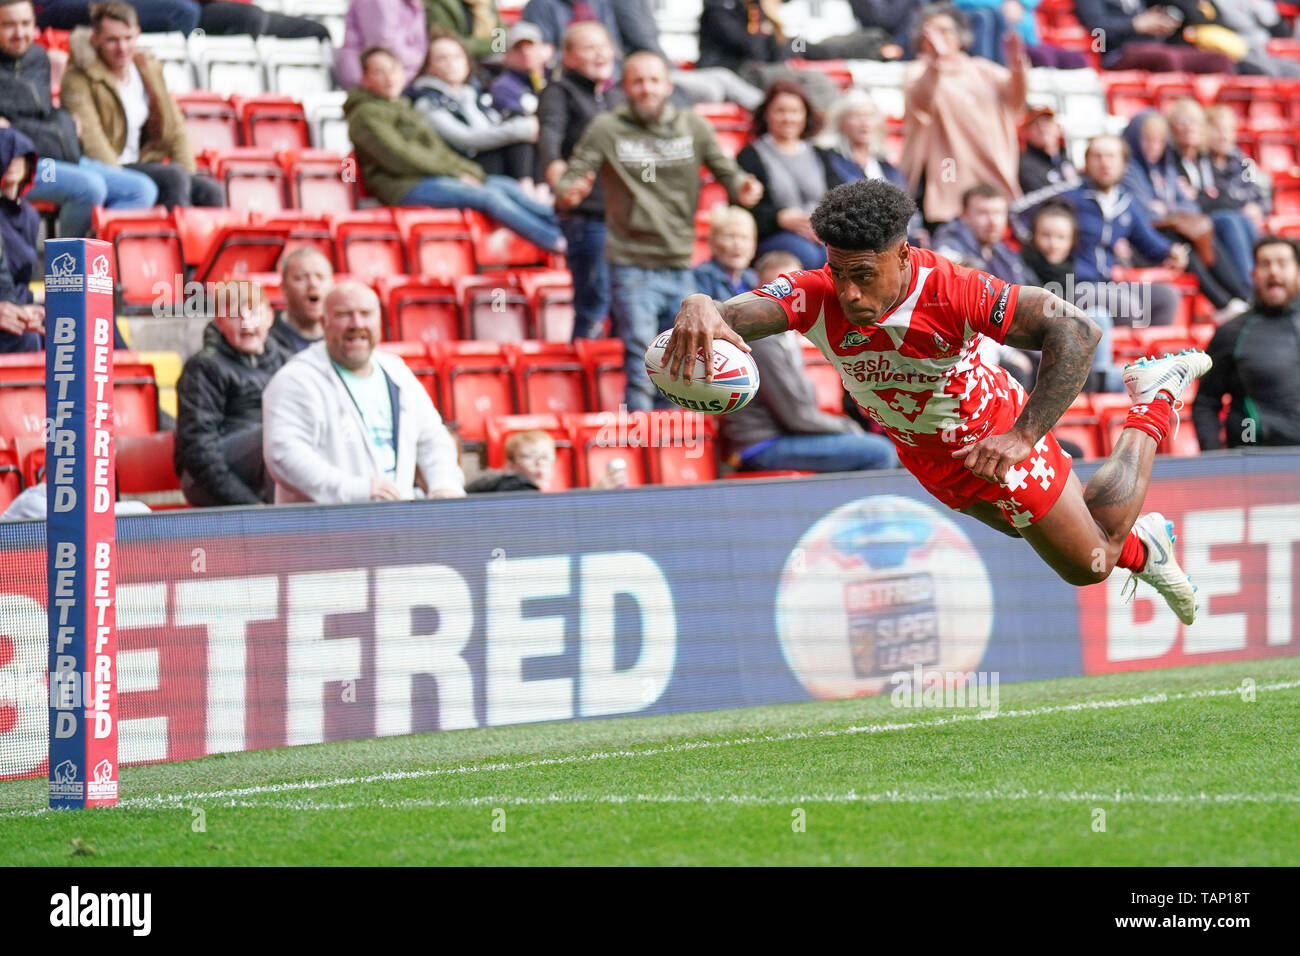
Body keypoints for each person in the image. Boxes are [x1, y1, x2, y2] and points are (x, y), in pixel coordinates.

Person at [661, 177, 1210, 624]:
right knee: (1052, 533)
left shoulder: (952, 290)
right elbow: (726, 318)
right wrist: (698, 302)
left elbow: (1077, 332)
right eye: (837, 271)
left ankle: (1155, 397)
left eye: (863, 275)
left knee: (1089, 563)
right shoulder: (816, 292)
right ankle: (1147, 547)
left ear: (902, 255)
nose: (848, 291)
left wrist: (1022, 435)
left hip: (993, 435)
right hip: (927, 454)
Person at [554, 50, 763, 409]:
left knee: (686, 354)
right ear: (625, 88)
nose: (647, 88)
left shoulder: (693, 127)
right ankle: (640, 436)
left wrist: (745, 188)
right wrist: (568, 192)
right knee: (641, 351)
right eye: (637, 81)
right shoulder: (607, 128)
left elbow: (729, 174)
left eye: (654, 80)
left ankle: (676, 436)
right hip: (630, 261)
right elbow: (570, 179)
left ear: (668, 85)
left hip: (680, 260)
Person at [345, 46, 563, 253]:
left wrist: (469, 172)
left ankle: (564, 225)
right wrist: (456, 174)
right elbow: (399, 157)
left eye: (393, 70)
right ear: (365, 79)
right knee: (488, 196)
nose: (389, 78)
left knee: (504, 185)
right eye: (378, 72)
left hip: (433, 177)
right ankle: (555, 240)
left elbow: (439, 151)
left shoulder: (402, 105)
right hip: (403, 187)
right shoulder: (365, 115)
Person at [262, 281, 466, 504]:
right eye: (343, 315)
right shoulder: (295, 379)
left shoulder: (397, 372)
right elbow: (285, 455)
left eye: (366, 314)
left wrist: (444, 485)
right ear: (323, 323)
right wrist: (355, 490)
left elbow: (432, 438)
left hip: (396, 523)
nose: (356, 323)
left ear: (379, 321)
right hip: (324, 530)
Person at [718, 247, 900, 475]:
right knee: (879, 452)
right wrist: (849, 427)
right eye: (776, 289)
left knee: (889, 449)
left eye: (792, 288)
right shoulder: (761, 341)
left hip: (785, 437)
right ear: (759, 291)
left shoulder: (787, 335)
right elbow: (796, 417)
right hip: (762, 445)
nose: (786, 297)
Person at [1, 0, 156, 237]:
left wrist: (65, 121)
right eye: (8, 25)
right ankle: (68, 270)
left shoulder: (37, 58)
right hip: (24, 166)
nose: (20, 33)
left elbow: (41, 112)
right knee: (89, 187)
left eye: (26, 23)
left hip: (59, 154)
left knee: (141, 190)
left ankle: (96, 257)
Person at [60, 2, 223, 210]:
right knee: (173, 177)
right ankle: (174, 240)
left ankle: (203, 241)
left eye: (128, 38)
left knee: (209, 190)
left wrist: (189, 174)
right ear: (96, 39)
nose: (122, 48)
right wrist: (123, 182)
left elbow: (175, 127)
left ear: (137, 34)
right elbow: (91, 139)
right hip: (108, 168)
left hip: (143, 163)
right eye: (112, 40)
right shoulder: (78, 76)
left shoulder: (147, 68)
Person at [901, 2, 1027, 227]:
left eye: (945, 31)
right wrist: (936, 66)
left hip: (990, 170)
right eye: (931, 32)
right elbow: (921, 102)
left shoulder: (983, 69)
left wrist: (1018, 65)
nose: (938, 38)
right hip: (945, 178)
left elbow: (1015, 100)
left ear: (960, 36)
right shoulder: (918, 71)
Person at [1122, 108, 1252, 321]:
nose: (1154, 147)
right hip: (1146, 242)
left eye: (1159, 141)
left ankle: (1244, 297)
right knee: (1185, 246)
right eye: (1148, 140)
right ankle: (1223, 304)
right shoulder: (1129, 169)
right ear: (1136, 139)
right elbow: (1145, 213)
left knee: (1207, 237)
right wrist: (1169, 208)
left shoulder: (1164, 167)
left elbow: (1191, 206)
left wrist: (1166, 208)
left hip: (1171, 232)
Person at [538, 20, 622, 340]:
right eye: (589, 48)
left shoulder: (616, 96)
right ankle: (582, 376)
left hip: (622, 217)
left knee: (622, 306)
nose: (600, 54)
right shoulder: (560, 91)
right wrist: (555, 170)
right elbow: (550, 132)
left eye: (603, 46)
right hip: (587, 215)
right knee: (594, 301)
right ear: (568, 57)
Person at [175, 280, 287, 506]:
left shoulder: (288, 362)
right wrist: (249, 504)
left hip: (266, 477)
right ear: (219, 322)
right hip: (208, 482)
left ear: (269, 317)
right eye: (235, 315)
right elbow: (198, 449)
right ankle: (280, 521)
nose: (246, 322)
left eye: (253, 311)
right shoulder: (204, 367)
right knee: (276, 433)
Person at [1057, 134, 1185, 327]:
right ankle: (1120, 357)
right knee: (1127, 305)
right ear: (1086, 162)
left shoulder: (1125, 202)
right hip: (1073, 286)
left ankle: (1151, 357)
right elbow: (1021, 213)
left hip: (1109, 283)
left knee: (1167, 297)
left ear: (1124, 164)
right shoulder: (1068, 199)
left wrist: (1171, 250)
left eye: (1111, 156)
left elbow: (1148, 241)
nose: (1104, 163)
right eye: (1097, 156)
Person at [1194, 236, 1300, 450]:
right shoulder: (1232, 332)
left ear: (1298, 272)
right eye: (1265, 264)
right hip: (1254, 461)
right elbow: (1205, 402)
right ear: (1253, 275)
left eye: (1282, 263)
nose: (1273, 272)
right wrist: (1215, 461)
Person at [933, 183, 1037, 387]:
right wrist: (1009, 351)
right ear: (964, 215)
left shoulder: (1003, 253)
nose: (992, 221)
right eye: (983, 213)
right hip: (970, 347)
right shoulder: (948, 252)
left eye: (998, 213)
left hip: (1008, 335)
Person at [737, 80, 847, 270]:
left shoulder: (821, 154)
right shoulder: (750, 156)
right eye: (780, 111)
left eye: (795, 111)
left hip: (820, 233)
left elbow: (841, 198)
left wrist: (823, 226)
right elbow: (744, 208)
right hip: (775, 236)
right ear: (766, 115)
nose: (788, 118)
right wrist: (780, 218)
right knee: (812, 257)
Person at [408, 29, 539, 186]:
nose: (451, 64)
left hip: (492, 159)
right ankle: (528, 189)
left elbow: (495, 125)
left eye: (457, 57)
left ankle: (533, 188)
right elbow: (465, 140)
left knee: (518, 122)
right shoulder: (427, 101)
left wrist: (520, 126)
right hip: (466, 165)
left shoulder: (472, 93)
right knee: (519, 131)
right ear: (429, 67)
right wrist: (519, 129)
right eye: (442, 58)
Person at [1020, 200, 1124, 392]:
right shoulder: (1020, 268)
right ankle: (1102, 381)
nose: (1053, 244)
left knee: (1098, 315)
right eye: (1046, 236)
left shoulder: (1072, 269)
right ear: (1034, 235)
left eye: (1061, 237)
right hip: (1038, 350)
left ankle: (1100, 377)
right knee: (1137, 379)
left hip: (1068, 348)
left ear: (1071, 241)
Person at [1073, 0, 1236, 73]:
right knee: (1166, 58)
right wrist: (1135, 24)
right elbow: (1098, 29)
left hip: (1155, 45)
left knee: (1220, 59)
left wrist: (1161, 22)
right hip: (1118, 51)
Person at [336, 0, 428, 91]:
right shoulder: (379, 2)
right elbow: (381, 48)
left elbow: (420, 44)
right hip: (364, 80)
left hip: (401, 78)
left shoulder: (413, 4)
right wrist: (419, 59)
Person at [270, 246, 332, 353]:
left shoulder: (343, 337)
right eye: (301, 278)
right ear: (284, 288)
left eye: (320, 277)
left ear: (332, 284)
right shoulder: (265, 336)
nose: (313, 284)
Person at [694, 206, 759, 303]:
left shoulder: (753, 278)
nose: (738, 244)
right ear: (712, 242)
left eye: (744, 237)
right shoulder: (701, 277)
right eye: (730, 236)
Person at [489, 20, 550, 118]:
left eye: (530, 45)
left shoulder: (557, 76)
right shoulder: (503, 86)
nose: (525, 53)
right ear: (507, 56)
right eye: (518, 48)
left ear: (544, 48)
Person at [465, 430, 555, 492]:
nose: (540, 463)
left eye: (545, 457)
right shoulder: (517, 489)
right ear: (510, 465)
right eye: (529, 457)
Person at [421, 0, 501, 60]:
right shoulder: (440, 3)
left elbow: (500, 41)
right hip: (456, 63)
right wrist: (490, 44)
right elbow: (449, 42)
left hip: (489, 62)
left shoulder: (487, 2)